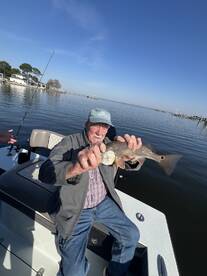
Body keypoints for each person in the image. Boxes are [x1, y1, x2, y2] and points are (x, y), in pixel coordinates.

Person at [39, 108, 143, 276]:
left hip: (103, 203)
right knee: (75, 272)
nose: (100, 131)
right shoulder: (69, 142)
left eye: (105, 127)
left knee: (131, 235)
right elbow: (45, 172)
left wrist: (132, 158)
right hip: (76, 209)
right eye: (96, 125)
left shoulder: (111, 144)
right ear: (87, 124)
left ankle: (114, 272)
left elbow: (130, 165)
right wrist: (75, 168)